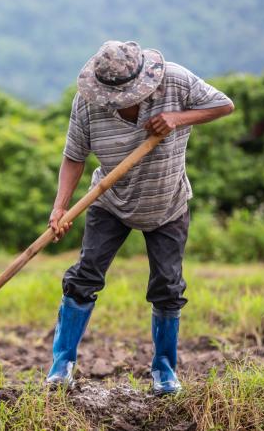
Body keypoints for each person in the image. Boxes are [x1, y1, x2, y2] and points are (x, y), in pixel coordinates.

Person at [46, 40, 234, 395]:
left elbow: (224, 105)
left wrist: (178, 118)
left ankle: (164, 371)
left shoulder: (176, 81)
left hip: (167, 202)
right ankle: (61, 366)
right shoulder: (87, 103)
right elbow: (74, 156)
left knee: (167, 286)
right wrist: (60, 207)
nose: (117, 103)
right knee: (84, 276)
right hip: (110, 200)